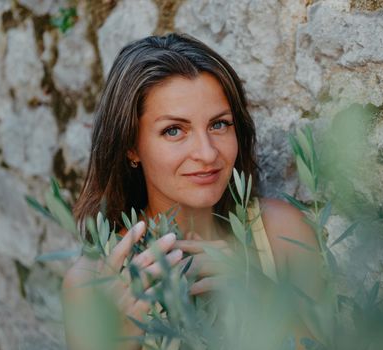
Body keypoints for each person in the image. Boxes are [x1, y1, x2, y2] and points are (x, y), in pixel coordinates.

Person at [62, 33, 322, 350]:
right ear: (132, 146)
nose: (207, 152)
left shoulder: (283, 233)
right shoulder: (93, 282)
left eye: (219, 124)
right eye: (174, 130)